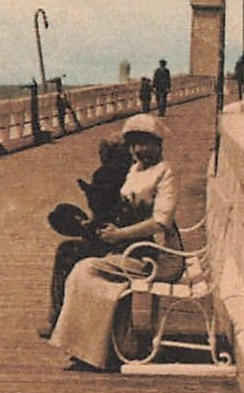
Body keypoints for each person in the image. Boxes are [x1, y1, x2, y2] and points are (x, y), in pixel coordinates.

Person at [50, 114, 182, 371]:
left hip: (152, 254)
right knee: (86, 270)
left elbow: (160, 223)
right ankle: (110, 345)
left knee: (86, 270)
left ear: (158, 143)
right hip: (131, 246)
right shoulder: (135, 170)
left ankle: (96, 351)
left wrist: (119, 235)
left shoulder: (166, 172)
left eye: (144, 143)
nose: (138, 150)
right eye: (133, 145)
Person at [40, 138, 132, 337]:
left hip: (120, 247)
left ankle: (56, 316)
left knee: (66, 252)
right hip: (132, 244)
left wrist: (86, 222)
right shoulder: (135, 174)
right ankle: (59, 315)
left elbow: (103, 215)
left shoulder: (105, 174)